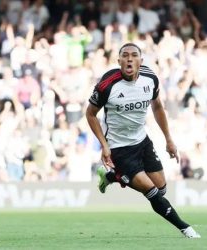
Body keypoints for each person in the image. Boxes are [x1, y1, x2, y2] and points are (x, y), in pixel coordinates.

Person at [86, 43, 201, 238]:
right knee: (152, 192)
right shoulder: (107, 85)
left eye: (133, 55)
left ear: (141, 60)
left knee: (161, 188)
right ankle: (186, 229)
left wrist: (169, 140)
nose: (129, 59)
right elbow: (90, 114)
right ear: (119, 61)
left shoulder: (150, 79)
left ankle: (111, 176)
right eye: (125, 55)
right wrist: (104, 145)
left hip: (142, 141)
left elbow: (157, 107)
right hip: (119, 148)